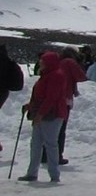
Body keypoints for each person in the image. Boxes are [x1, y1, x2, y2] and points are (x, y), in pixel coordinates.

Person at [16, 51, 75, 183]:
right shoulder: (46, 75)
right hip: (43, 113)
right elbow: (40, 96)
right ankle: (32, 173)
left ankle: (54, 175)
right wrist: (30, 106)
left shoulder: (56, 76)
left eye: (42, 61)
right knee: (36, 144)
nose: (40, 63)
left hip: (53, 114)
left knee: (50, 144)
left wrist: (40, 114)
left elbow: (51, 98)